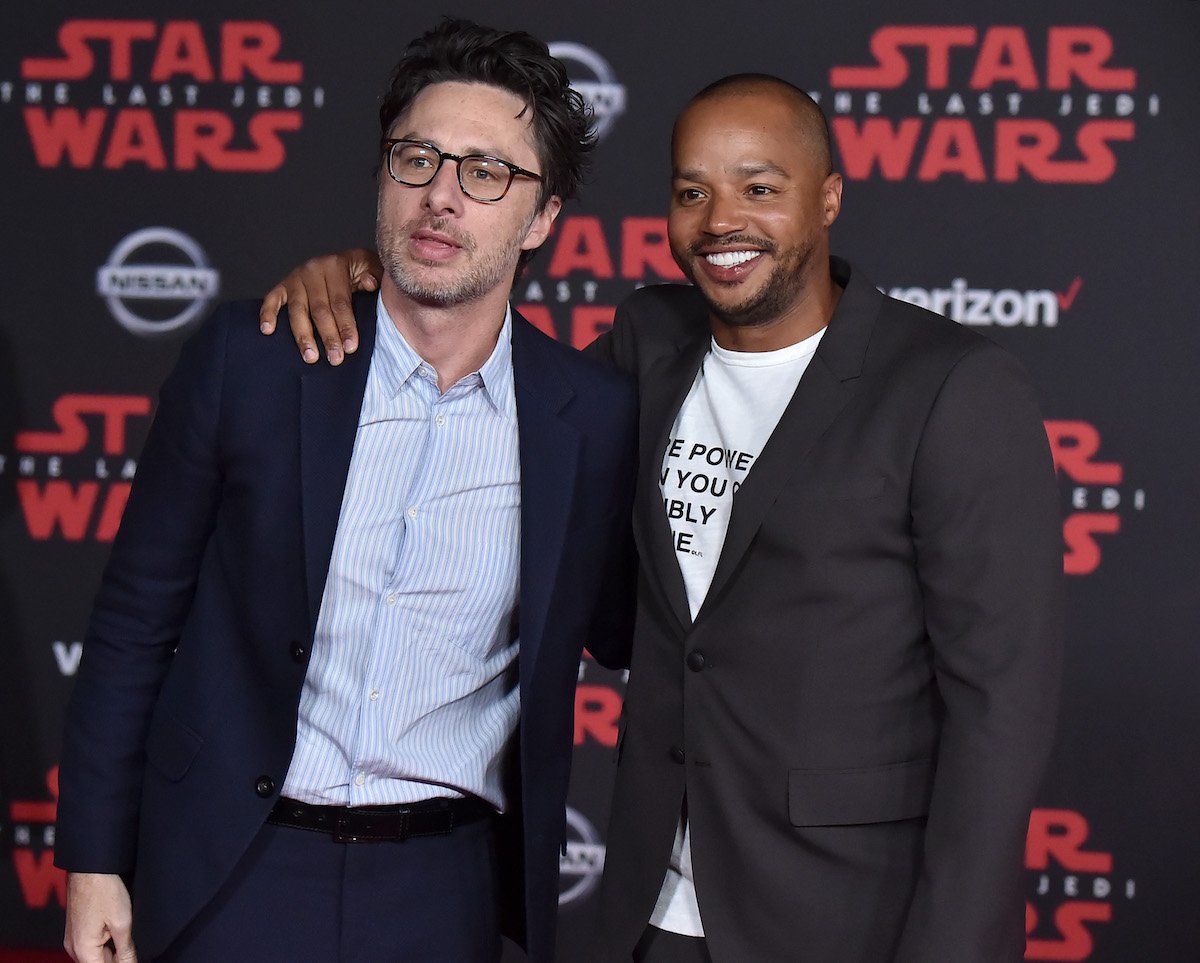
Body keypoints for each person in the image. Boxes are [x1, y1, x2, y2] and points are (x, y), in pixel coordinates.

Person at [261, 74, 1062, 962]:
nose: (721, 219)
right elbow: (488, 369)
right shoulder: (649, 341)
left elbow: (1001, 706)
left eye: (760, 188)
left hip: (842, 912)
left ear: (828, 197)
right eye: (692, 192)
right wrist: (366, 275)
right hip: (647, 911)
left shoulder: (951, 386)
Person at [54, 19, 638, 963]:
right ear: (383, 173)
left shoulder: (592, 419)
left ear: (540, 219)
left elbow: (626, 627)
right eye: (419, 158)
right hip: (225, 866)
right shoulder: (252, 361)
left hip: (439, 888)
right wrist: (92, 861)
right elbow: (131, 624)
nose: (442, 197)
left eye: (486, 172)